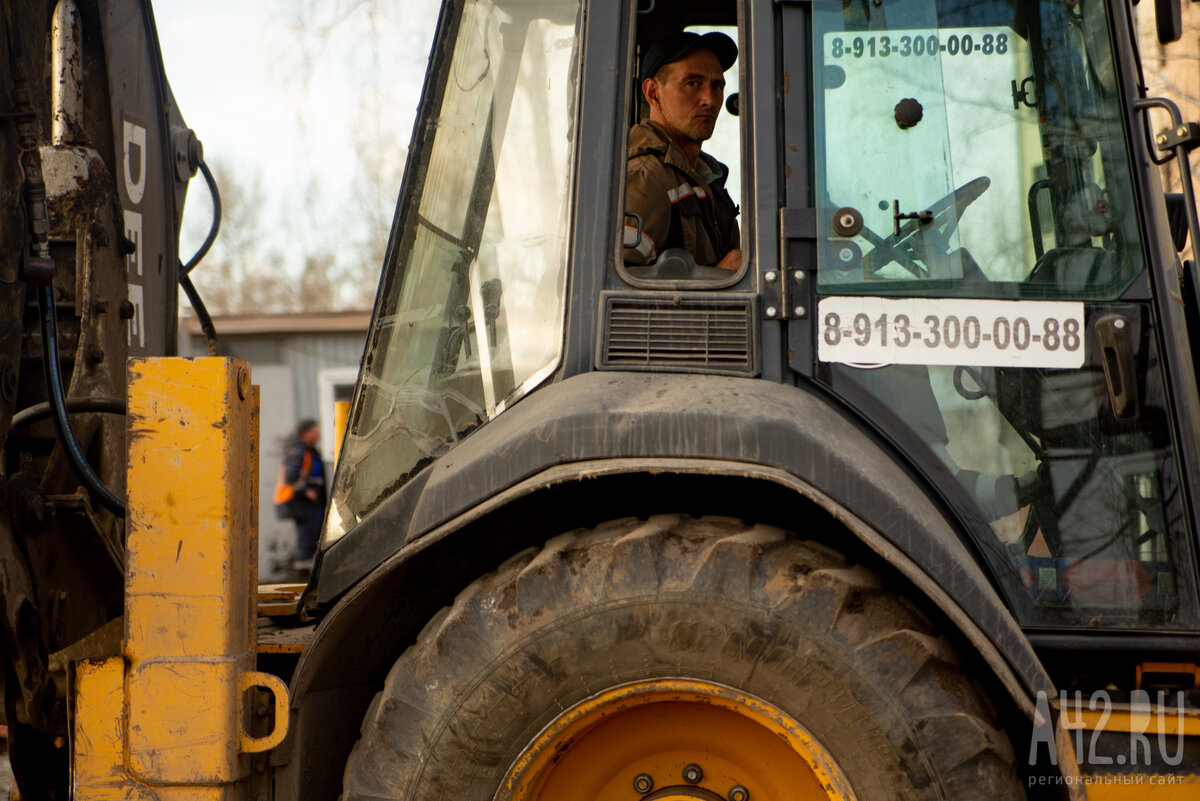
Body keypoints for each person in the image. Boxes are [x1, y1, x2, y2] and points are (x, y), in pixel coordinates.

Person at [624, 31, 742, 272]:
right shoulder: (648, 177)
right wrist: (721, 280)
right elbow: (616, 283)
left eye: (717, 86)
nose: (709, 100)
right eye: (692, 84)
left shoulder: (705, 177)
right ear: (652, 92)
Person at [280, 419, 326, 575]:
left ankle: (305, 565)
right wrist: (306, 491)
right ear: (306, 433)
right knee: (308, 533)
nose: (318, 434)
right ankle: (302, 569)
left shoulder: (310, 450)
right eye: (315, 431)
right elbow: (291, 476)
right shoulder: (299, 450)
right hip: (303, 502)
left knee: (312, 531)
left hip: (310, 501)